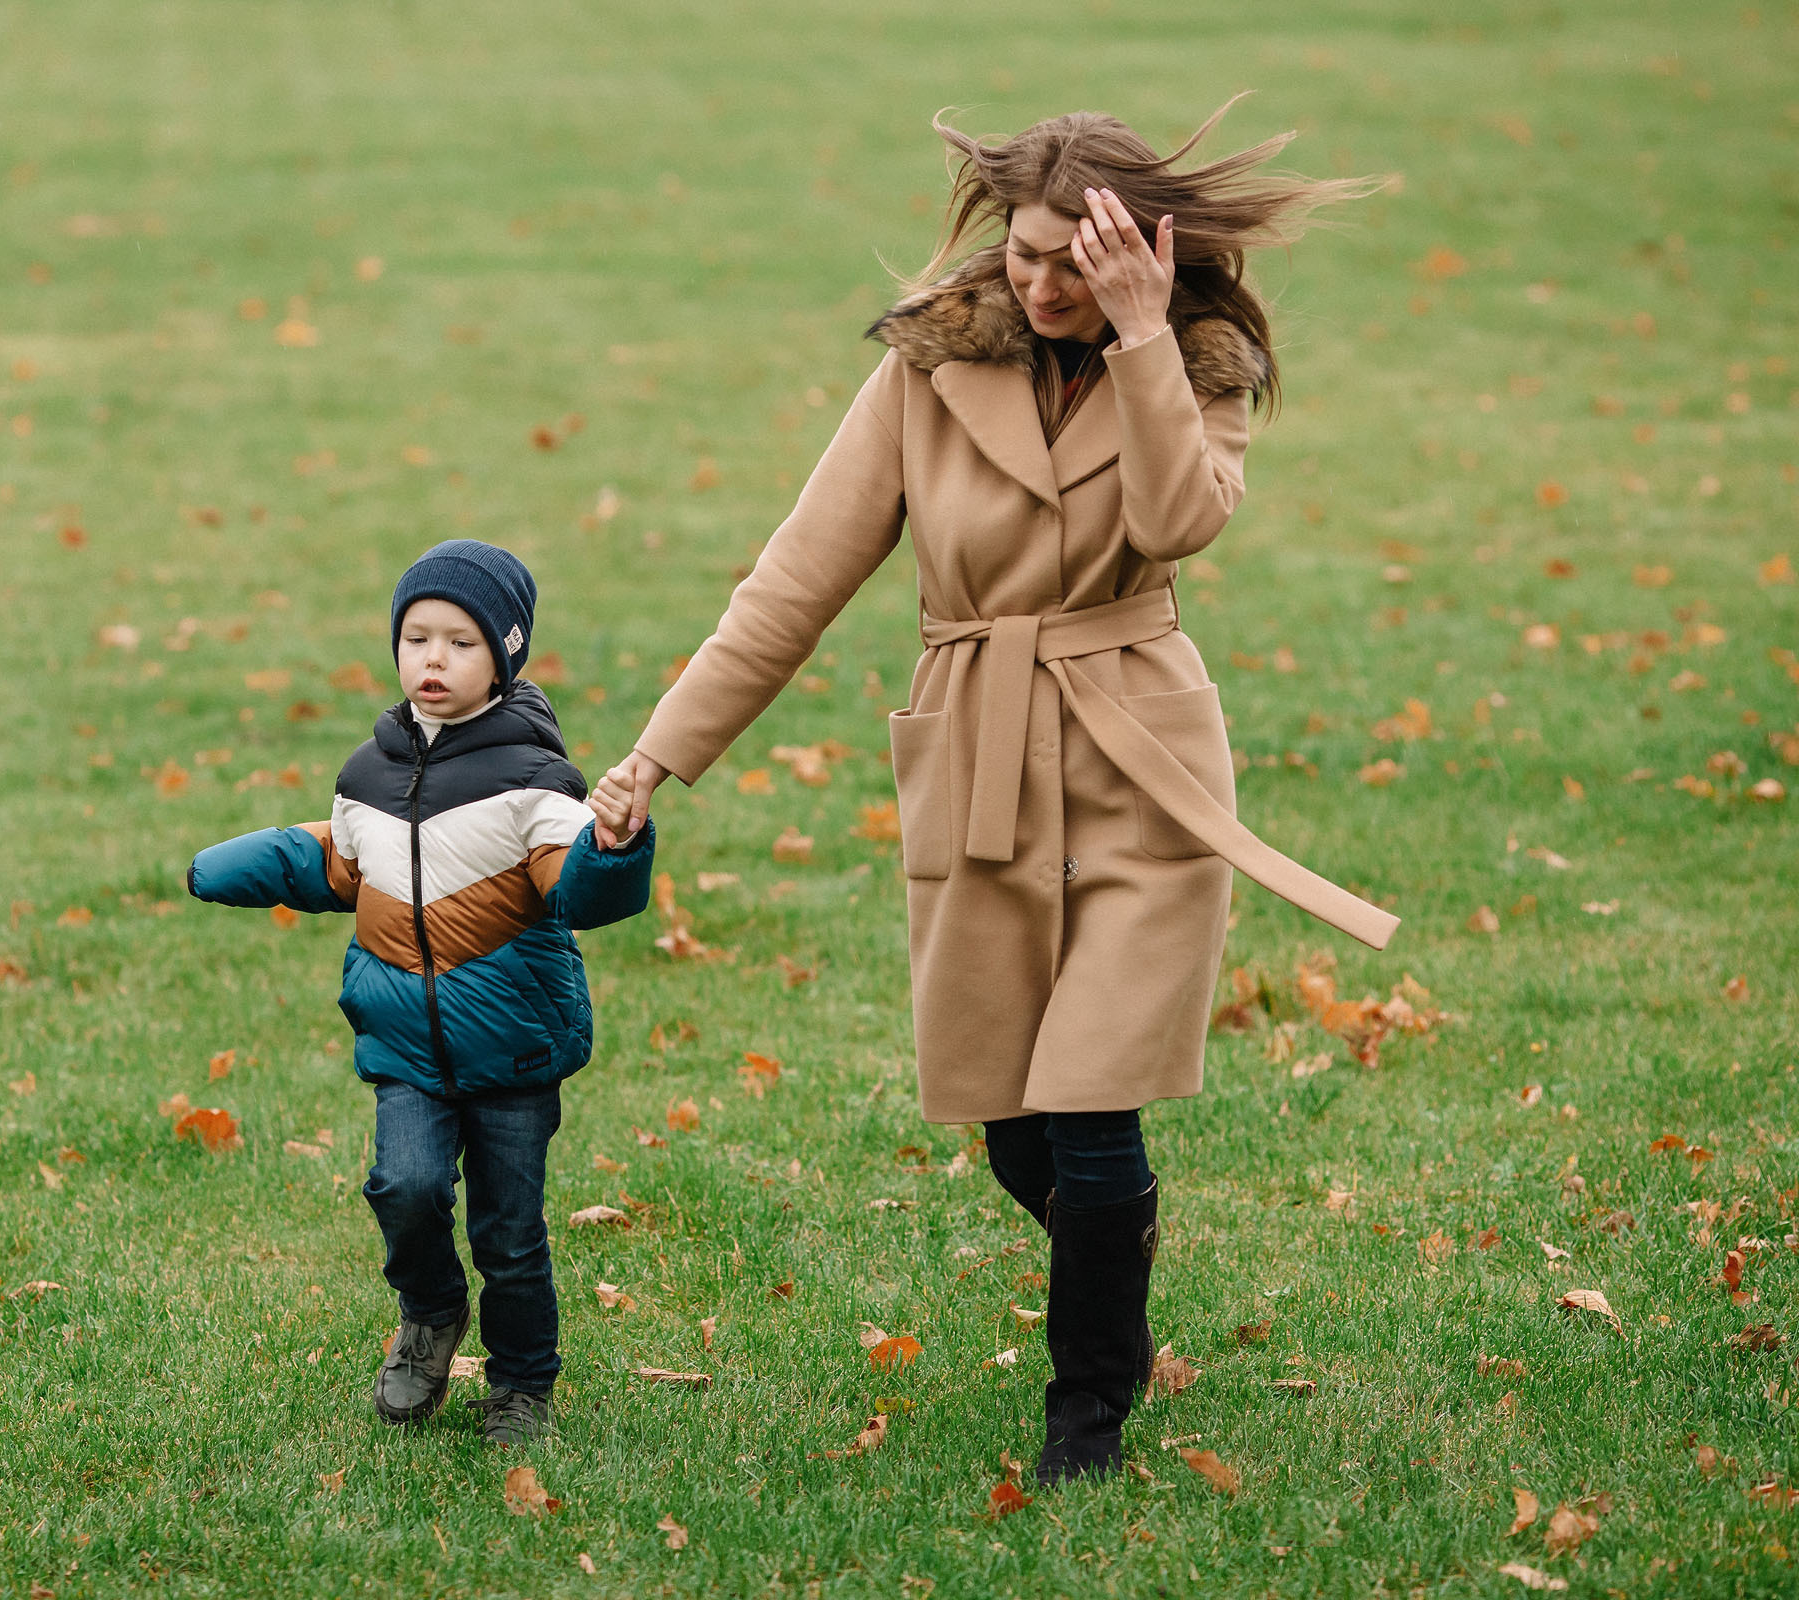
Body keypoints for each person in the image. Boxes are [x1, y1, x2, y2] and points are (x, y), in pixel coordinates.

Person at [589, 100, 1397, 1487]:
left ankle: (1088, 1409)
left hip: (1140, 754)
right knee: (1011, 1120)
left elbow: (1177, 522)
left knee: (1093, 1104)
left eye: (1074, 263)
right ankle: (1114, 1251)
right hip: (977, 753)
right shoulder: (927, 365)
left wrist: (1144, 339)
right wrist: (661, 753)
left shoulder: (1198, 363)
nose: (1040, 284)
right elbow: (799, 578)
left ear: (1138, 250)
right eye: (1024, 254)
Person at [187, 539, 654, 1446]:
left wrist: (617, 846)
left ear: (505, 657)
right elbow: (335, 860)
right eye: (416, 637)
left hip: (513, 1048)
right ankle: (431, 1314)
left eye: (460, 642)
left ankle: (522, 1386)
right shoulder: (367, 773)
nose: (432, 659)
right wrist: (236, 865)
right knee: (402, 1186)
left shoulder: (535, 784)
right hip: (406, 1046)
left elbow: (581, 890)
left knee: (510, 1234)